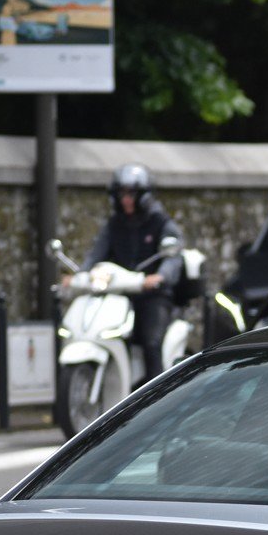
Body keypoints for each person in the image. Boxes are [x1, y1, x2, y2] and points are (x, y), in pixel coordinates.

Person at [85, 163, 184, 382]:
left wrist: (159, 277)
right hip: (120, 295)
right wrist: (80, 275)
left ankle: (158, 391)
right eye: (122, 194)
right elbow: (95, 255)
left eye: (131, 194)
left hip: (152, 296)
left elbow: (173, 256)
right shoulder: (114, 225)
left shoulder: (160, 223)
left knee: (151, 342)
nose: (126, 199)